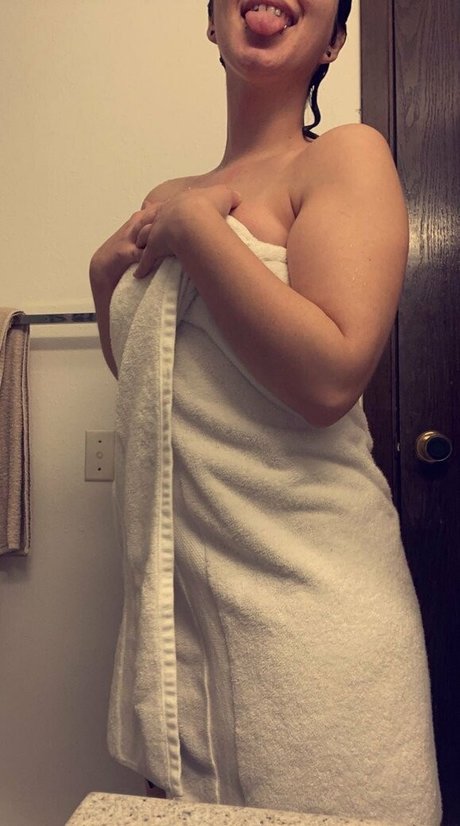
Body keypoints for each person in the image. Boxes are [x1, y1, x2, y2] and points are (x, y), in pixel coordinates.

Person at [89, 1, 442, 823]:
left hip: (314, 621)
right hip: (182, 630)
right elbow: (155, 383)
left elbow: (329, 380)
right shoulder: (170, 196)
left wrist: (196, 233)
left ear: (336, 40)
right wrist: (103, 281)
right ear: (211, 22)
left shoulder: (345, 157)